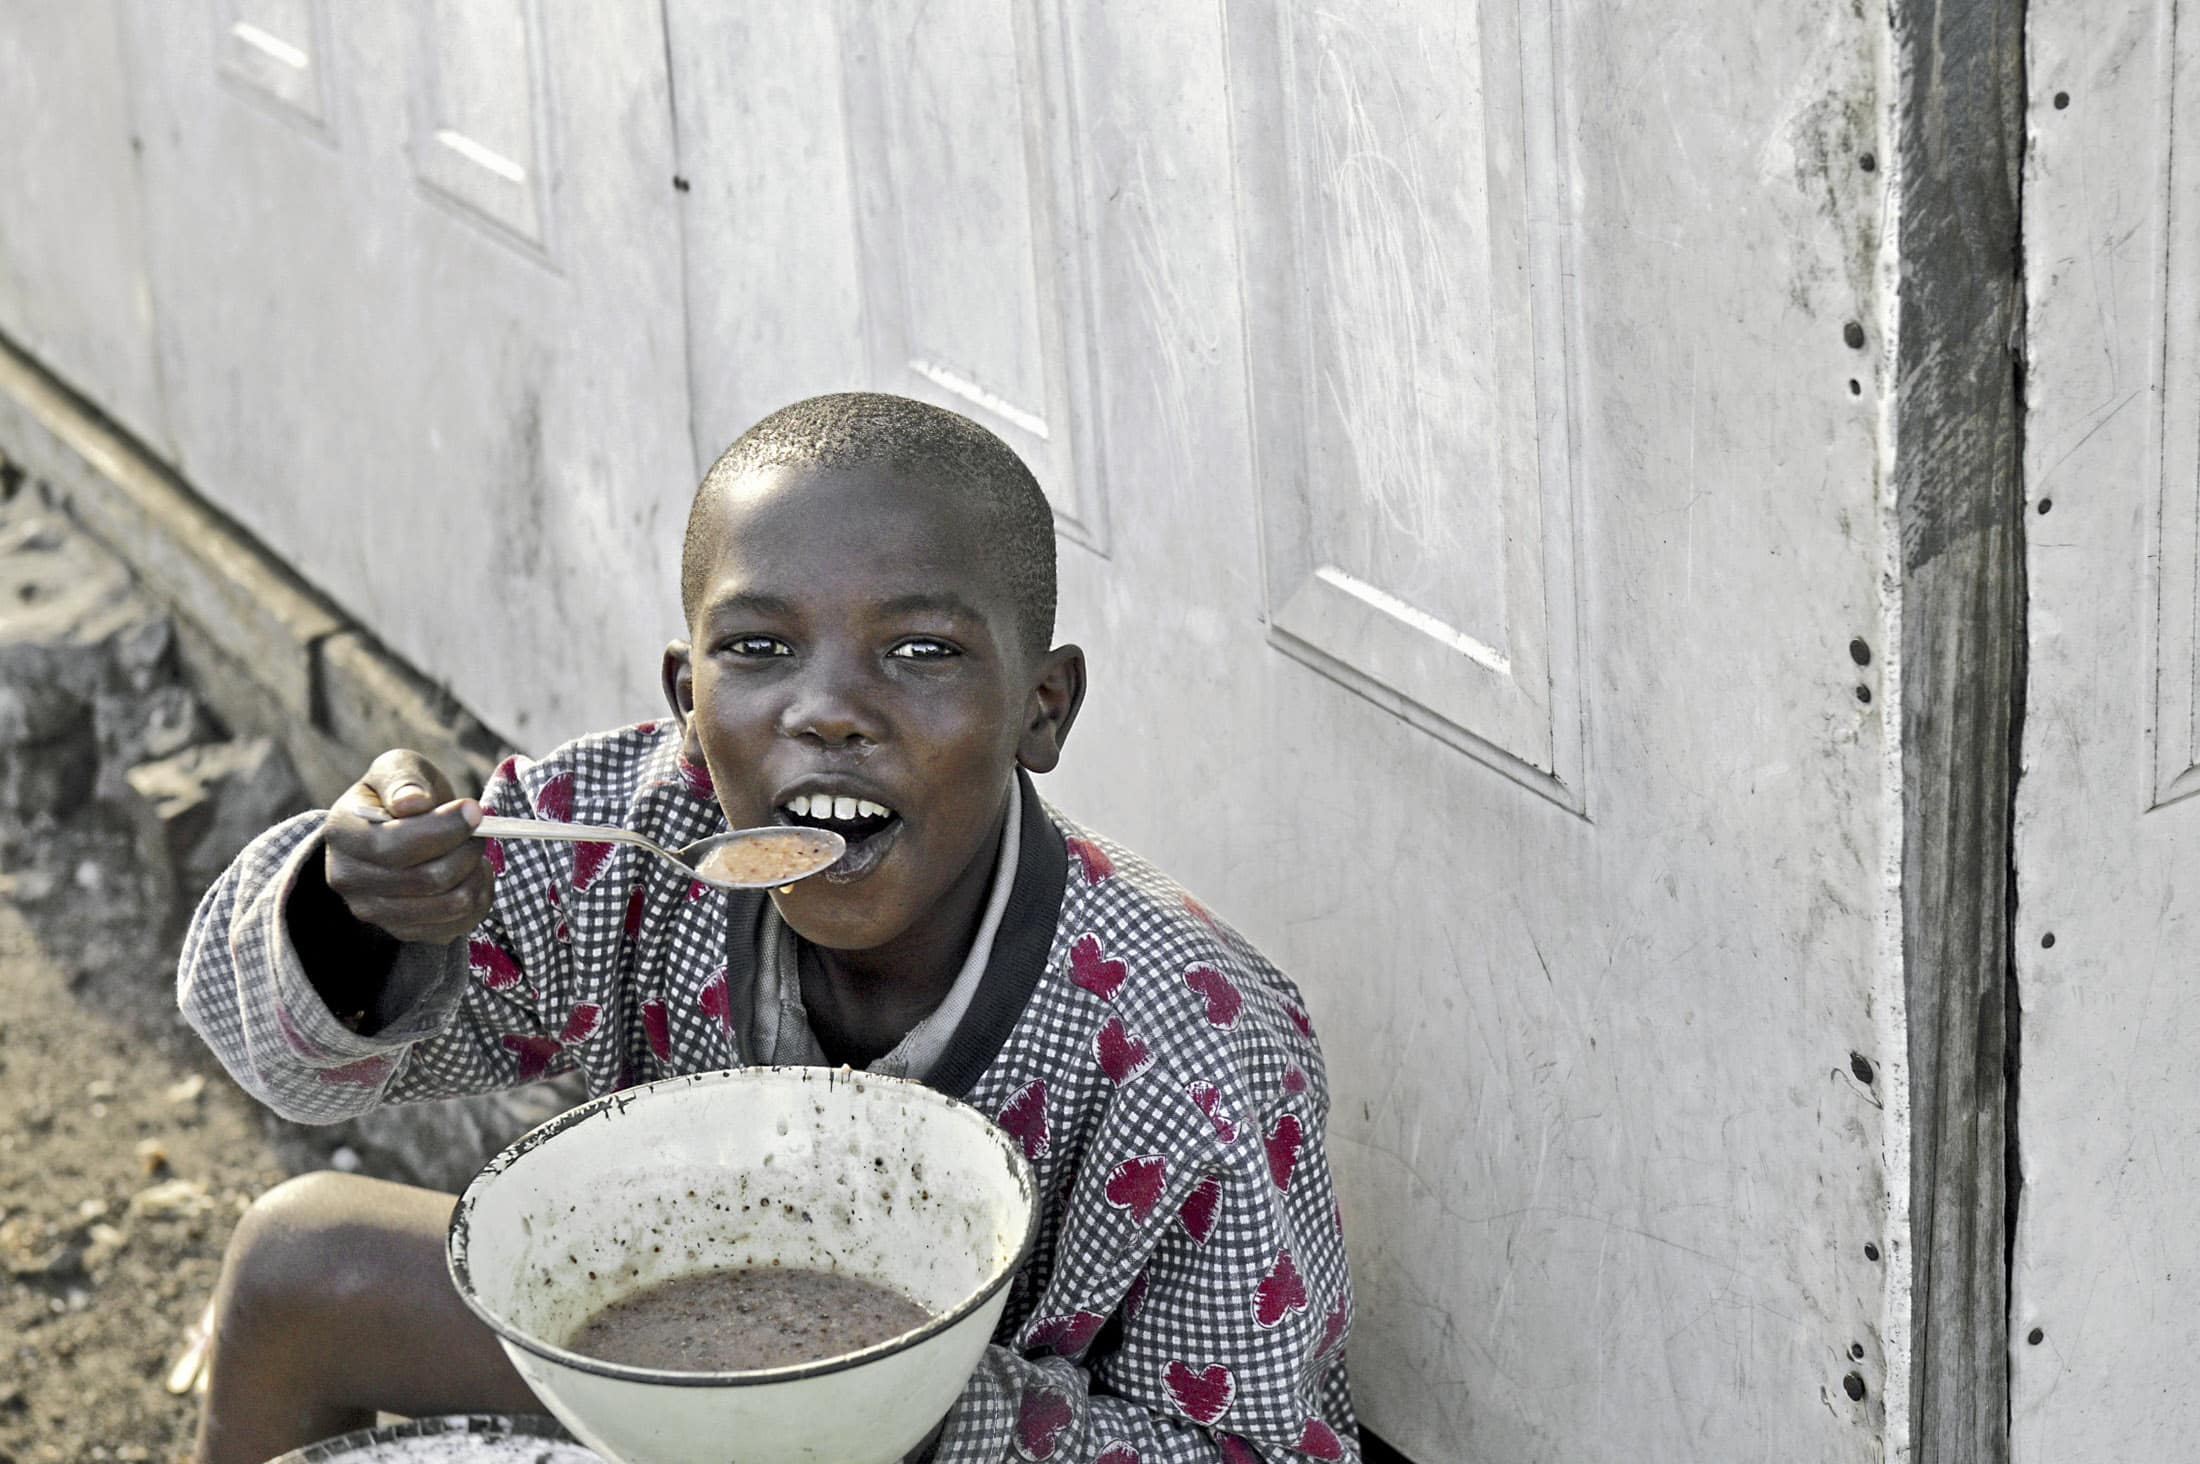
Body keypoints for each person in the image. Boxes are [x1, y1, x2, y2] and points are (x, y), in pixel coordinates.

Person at [179, 393, 1357, 1463]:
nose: (828, 709)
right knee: (303, 1265)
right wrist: (362, 913)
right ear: (688, 703)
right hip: (666, 1402)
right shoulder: (625, 844)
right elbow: (286, 1060)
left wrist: (882, 1398)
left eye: (921, 652)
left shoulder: (1191, 1041)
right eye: (757, 648)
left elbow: (1249, 1451)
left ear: (1038, 709)